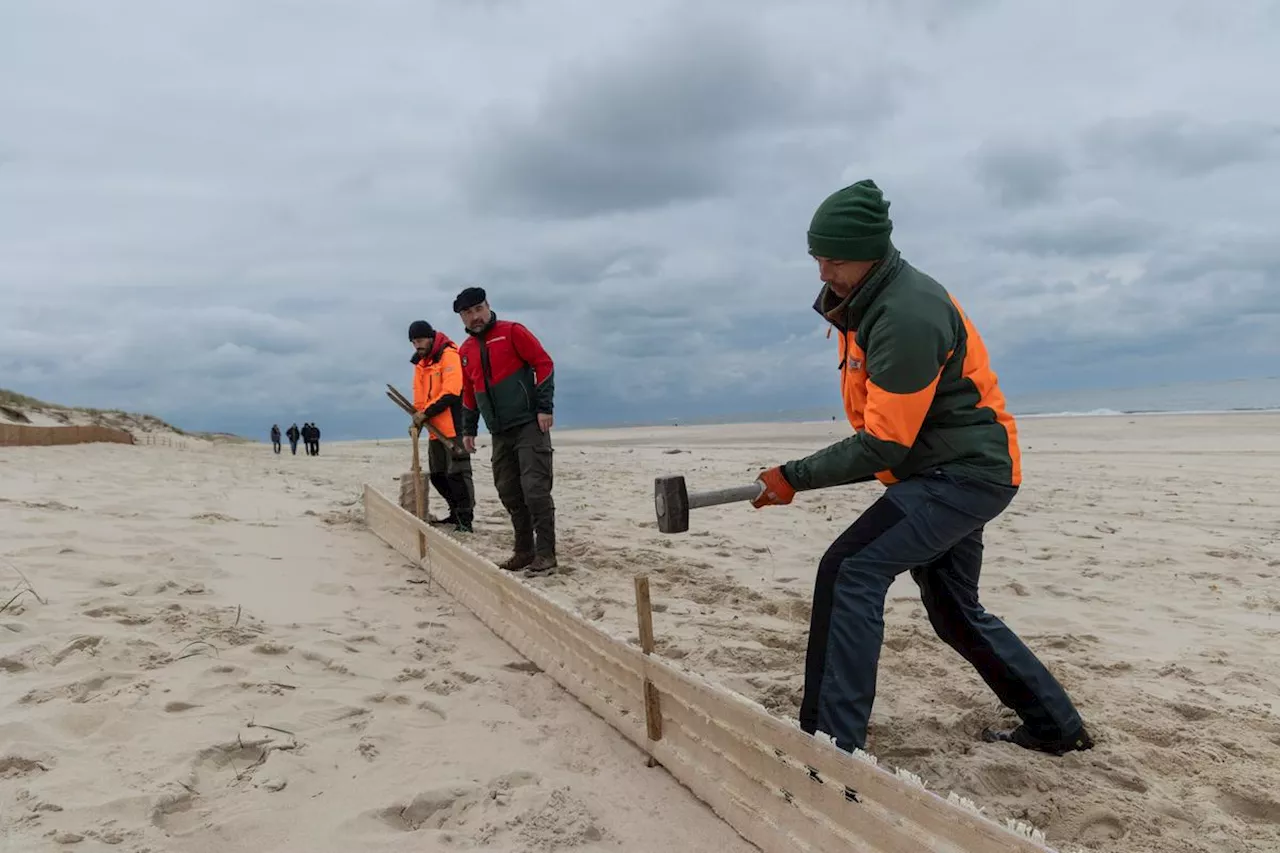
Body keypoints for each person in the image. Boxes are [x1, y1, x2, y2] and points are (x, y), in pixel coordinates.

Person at [750, 179, 1092, 757]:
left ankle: (830, 748)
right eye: (816, 258)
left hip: (960, 477)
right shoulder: (868, 301)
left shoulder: (907, 313)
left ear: (872, 252)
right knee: (954, 608)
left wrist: (793, 476)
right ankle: (1056, 728)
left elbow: (884, 441)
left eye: (834, 260)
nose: (822, 273)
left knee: (849, 569)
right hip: (946, 472)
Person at [453, 286, 557, 575]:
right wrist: (468, 429)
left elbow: (544, 363)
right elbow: (470, 392)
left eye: (478, 309)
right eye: (467, 313)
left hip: (529, 424)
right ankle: (524, 552)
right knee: (508, 491)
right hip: (499, 431)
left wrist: (544, 407)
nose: (474, 317)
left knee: (535, 490)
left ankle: (547, 555)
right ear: (461, 318)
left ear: (488, 306)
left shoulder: (512, 332)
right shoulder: (465, 351)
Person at [408, 319, 475, 533]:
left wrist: (425, 414)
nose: (417, 345)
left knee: (458, 474)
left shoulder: (449, 355)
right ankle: (454, 512)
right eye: (413, 342)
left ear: (430, 338)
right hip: (434, 430)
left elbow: (452, 391)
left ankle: (465, 519)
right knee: (438, 475)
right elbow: (419, 398)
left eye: (419, 340)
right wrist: (417, 421)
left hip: (455, 427)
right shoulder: (420, 363)